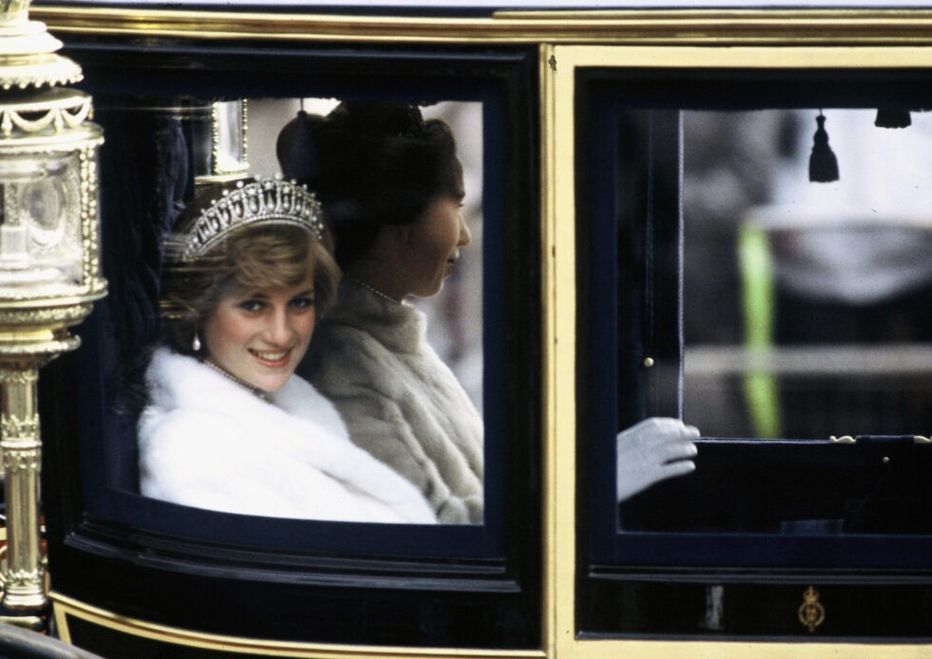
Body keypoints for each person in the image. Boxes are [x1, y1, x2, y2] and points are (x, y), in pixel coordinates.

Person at [281, 101, 697, 524]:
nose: (463, 236)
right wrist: (590, 486)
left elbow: (475, 489)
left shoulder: (387, 343)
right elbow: (434, 536)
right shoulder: (344, 365)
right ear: (401, 225)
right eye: (456, 207)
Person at [136, 174, 436, 524]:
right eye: (253, 305)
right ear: (199, 309)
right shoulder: (189, 449)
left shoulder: (296, 404)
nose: (281, 335)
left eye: (299, 303)